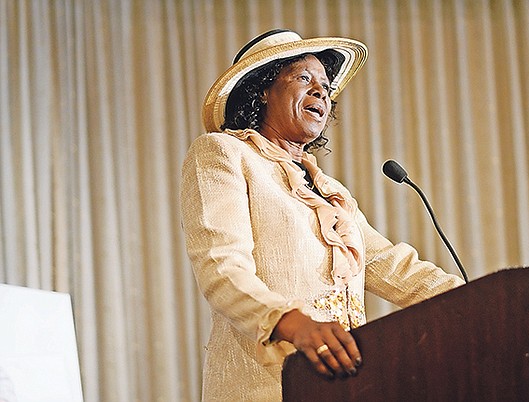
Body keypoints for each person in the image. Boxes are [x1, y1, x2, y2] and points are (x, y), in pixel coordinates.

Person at [180, 29, 465, 401]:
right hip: (265, 388)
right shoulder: (223, 154)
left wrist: (482, 300)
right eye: (304, 79)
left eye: (326, 88)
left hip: (342, 387)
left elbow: (393, 267)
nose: (321, 93)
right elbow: (221, 267)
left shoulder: (330, 191)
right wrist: (293, 323)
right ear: (263, 89)